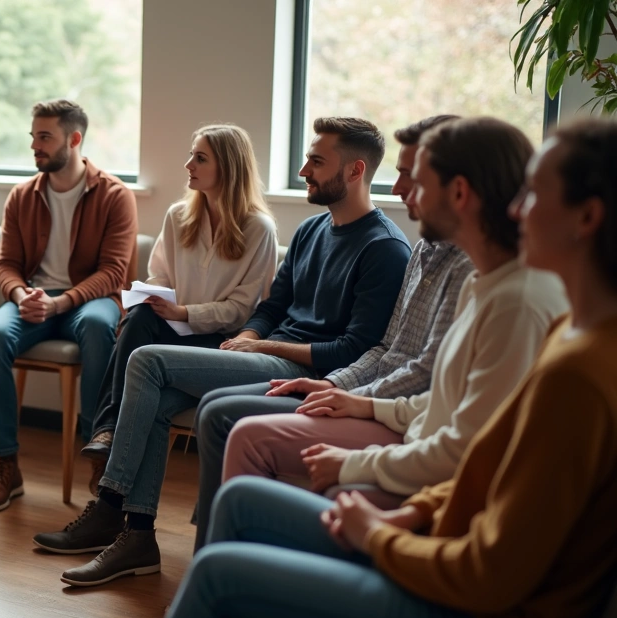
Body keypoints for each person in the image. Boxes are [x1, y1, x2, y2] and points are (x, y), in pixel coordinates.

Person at [160, 117, 617, 618]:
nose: (517, 210)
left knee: (220, 575)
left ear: (586, 217)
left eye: (534, 196)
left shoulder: (557, 346)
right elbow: (485, 460)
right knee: (239, 499)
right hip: (435, 536)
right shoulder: (550, 320)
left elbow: (489, 573)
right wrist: (403, 489)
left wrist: (378, 533)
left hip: (483, 616)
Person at [32, 116, 410, 587]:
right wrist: (251, 334)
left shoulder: (385, 249)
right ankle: (138, 538)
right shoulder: (314, 229)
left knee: (146, 360)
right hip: (262, 352)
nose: (302, 170)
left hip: (300, 367)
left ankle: (109, 505)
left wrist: (263, 343)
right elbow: (271, 306)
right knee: (155, 398)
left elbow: (353, 349)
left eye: (315, 160)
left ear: (355, 171)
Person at [211, 116, 566, 536]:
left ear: (459, 192)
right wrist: (346, 390)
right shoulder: (466, 274)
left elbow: (453, 423)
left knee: (242, 436)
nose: (398, 190)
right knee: (223, 415)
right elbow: (397, 357)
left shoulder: (509, 296)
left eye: (413, 178)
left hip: (410, 445)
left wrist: (353, 413)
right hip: (394, 416)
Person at [187, 114, 476, 542]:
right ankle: (207, 544)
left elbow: (415, 368)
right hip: (349, 385)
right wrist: (336, 386)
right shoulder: (421, 251)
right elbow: (387, 349)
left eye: (411, 178)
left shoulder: (404, 252)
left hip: (383, 404)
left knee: (218, 411)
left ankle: (222, 551)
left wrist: (351, 396)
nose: (397, 190)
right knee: (208, 404)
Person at [78, 124, 279, 493]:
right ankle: (106, 433)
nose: (188, 164)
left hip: (220, 343)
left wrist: (184, 312)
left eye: (200, 158)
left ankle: (107, 433)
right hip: (172, 327)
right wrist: (152, 296)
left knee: (138, 333)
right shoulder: (178, 216)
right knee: (137, 316)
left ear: (229, 167)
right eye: (191, 155)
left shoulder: (259, 229)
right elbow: (160, 275)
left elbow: (242, 309)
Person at [0, 99, 139, 513]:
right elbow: (6, 263)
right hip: (33, 298)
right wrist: (20, 295)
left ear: (75, 139)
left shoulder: (115, 195)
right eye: (33, 137)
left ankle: (98, 455)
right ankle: (6, 465)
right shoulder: (22, 196)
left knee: (101, 329)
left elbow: (114, 272)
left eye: (45, 137)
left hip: (89, 301)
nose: (35, 145)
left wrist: (61, 302)